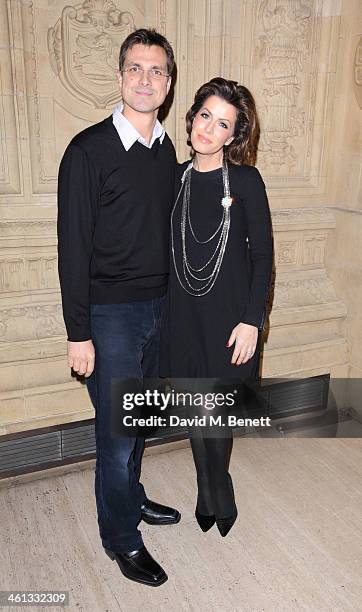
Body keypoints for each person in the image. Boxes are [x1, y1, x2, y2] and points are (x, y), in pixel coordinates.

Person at [57, 28, 181, 588]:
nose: (145, 79)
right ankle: (121, 539)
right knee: (117, 434)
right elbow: (73, 247)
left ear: (169, 83)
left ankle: (131, 499)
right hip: (109, 317)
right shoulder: (87, 151)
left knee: (142, 420)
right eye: (136, 68)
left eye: (156, 71)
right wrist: (78, 332)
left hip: (159, 307)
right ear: (120, 76)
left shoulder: (167, 149)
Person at [160, 77, 273, 537]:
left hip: (229, 319)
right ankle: (205, 485)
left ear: (233, 135)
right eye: (205, 115)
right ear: (192, 118)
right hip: (181, 315)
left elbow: (263, 255)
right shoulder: (173, 177)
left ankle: (217, 486)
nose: (209, 128)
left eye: (221, 123)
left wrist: (253, 320)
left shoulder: (246, 181)